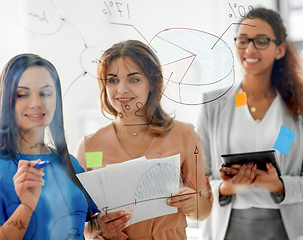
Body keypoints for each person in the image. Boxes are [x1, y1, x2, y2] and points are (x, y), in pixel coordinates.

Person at [0, 53, 98, 240]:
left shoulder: (71, 164)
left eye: (45, 93)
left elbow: (82, 231)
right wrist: (26, 206)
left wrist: (102, 231)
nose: (36, 103)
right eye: (22, 94)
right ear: (7, 101)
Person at [76, 40, 213, 239]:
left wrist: (194, 203)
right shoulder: (91, 147)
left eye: (134, 79)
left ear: (152, 84)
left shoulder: (185, 135)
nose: (121, 89)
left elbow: (204, 210)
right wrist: (97, 228)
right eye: (113, 80)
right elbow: (80, 222)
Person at [197, 7, 303, 240]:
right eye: (243, 40)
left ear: (280, 49)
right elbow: (197, 180)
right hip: (227, 227)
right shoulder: (214, 106)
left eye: (261, 41)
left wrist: (279, 185)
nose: (250, 49)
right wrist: (226, 188)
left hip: (284, 229)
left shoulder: (297, 108)